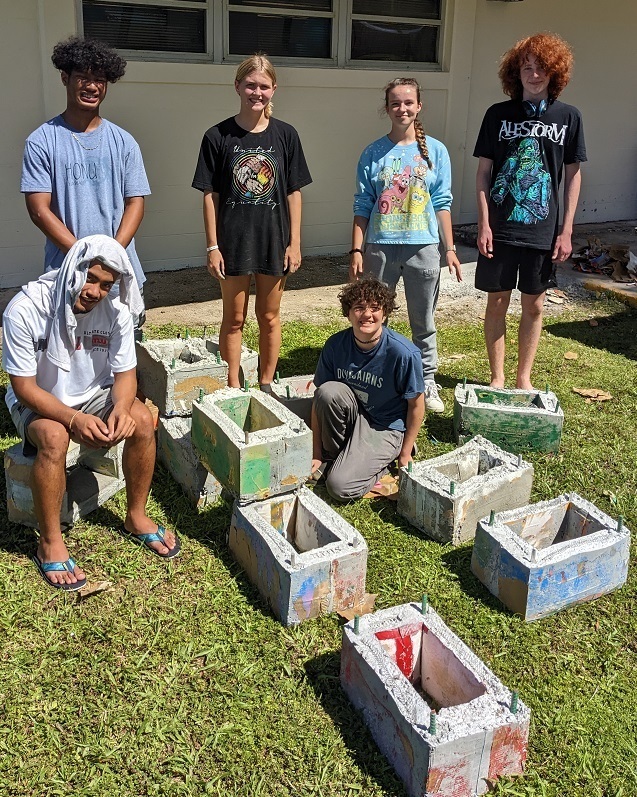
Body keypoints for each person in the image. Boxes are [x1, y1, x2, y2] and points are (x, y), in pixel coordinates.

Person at [2, 235, 180, 592]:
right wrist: (72, 420)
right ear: (72, 269)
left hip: (92, 394)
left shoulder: (116, 312)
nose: (95, 291)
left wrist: (124, 407)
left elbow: (125, 375)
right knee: (54, 437)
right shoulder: (24, 308)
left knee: (143, 420)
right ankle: (49, 542)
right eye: (90, 277)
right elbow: (24, 387)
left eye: (106, 284)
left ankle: (136, 516)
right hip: (39, 400)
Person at [192, 54, 312, 389]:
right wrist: (213, 246)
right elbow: (209, 195)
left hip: (274, 240)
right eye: (250, 85)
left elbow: (293, 192)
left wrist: (295, 242)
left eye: (263, 86)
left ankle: (266, 384)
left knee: (269, 317)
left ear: (274, 89)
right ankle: (232, 387)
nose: (256, 92)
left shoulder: (286, 135)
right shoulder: (217, 136)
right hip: (232, 243)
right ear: (237, 86)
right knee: (234, 319)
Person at [474, 33, 586, 389]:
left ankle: (523, 379)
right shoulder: (497, 114)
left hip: (542, 231)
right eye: (527, 67)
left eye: (541, 68)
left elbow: (572, 176)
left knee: (534, 306)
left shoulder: (569, 117)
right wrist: (483, 223)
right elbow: (483, 174)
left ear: (555, 73)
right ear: (515, 72)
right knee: (497, 302)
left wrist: (566, 229)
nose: (534, 75)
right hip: (500, 229)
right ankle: (497, 378)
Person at [21, 36, 150, 332]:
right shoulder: (42, 141)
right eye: (83, 77)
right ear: (65, 78)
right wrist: (86, 259)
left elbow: (136, 203)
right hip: (66, 274)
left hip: (119, 273)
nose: (91, 86)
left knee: (124, 358)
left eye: (99, 79)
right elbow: (39, 210)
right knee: (69, 357)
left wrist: (110, 258)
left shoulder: (124, 142)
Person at [350, 77, 462, 414]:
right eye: (396, 103)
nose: (402, 109)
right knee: (373, 316)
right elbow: (362, 204)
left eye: (408, 102)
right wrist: (356, 250)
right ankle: (375, 375)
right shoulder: (372, 153)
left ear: (419, 106)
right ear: (387, 108)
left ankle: (426, 379)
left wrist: (450, 249)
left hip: (423, 248)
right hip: (380, 248)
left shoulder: (437, 152)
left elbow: (442, 202)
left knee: (422, 320)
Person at [311, 278, 425, 502]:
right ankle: (336, 458)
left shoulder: (403, 354)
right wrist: (316, 454)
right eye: (359, 308)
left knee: (338, 487)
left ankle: (379, 464)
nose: (367, 315)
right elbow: (319, 400)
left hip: (385, 426)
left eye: (375, 308)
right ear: (348, 313)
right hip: (354, 415)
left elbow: (416, 405)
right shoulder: (335, 345)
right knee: (328, 392)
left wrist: (405, 452)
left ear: (385, 313)